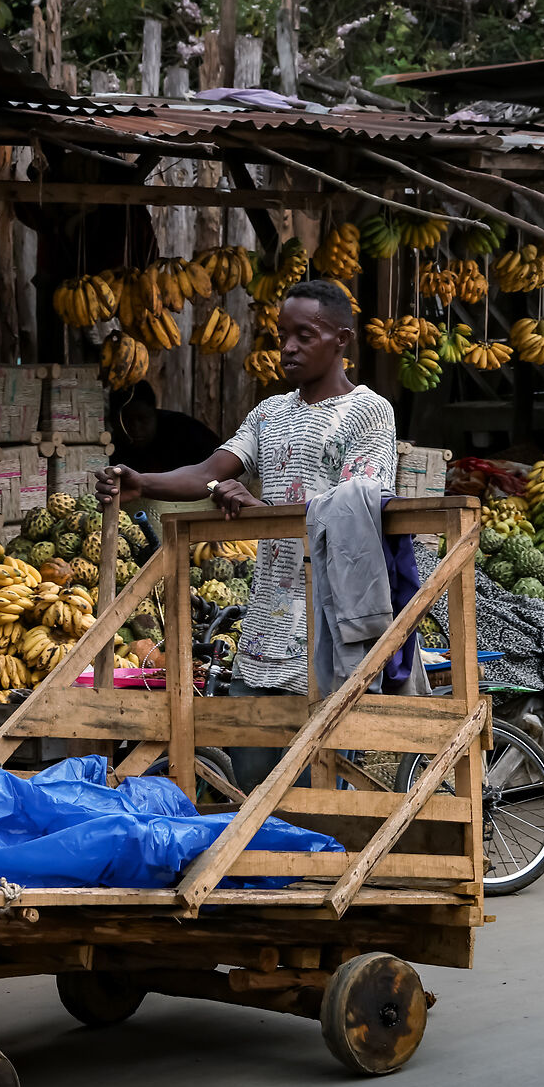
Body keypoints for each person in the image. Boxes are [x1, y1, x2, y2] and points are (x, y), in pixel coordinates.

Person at [97, 278, 396, 784]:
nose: (289, 347)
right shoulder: (270, 413)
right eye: (283, 335)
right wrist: (142, 480)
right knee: (253, 782)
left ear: (341, 339)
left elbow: (356, 513)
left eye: (306, 334)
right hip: (263, 633)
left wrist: (260, 510)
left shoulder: (369, 412)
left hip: (326, 629)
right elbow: (210, 469)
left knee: (317, 791)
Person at [106, 380, 222, 476]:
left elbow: (221, 463)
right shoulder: (112, 449)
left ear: (155, 413)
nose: (135, 428)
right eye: (126, 421)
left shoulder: (184, 430)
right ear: (113, 422)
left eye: (143, 419)